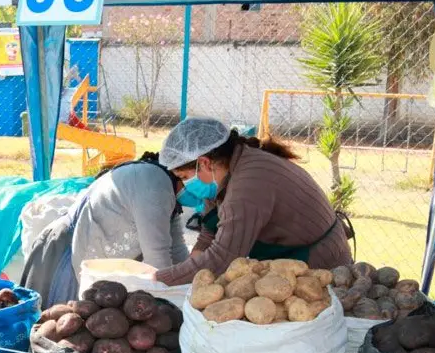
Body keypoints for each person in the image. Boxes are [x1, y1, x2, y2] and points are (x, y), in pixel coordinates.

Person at [154, 117, 353, 285]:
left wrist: (158, 279)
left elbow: (222, 258)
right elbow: (209, 232)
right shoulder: (227, 170)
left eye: (184, 177)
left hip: (321, 268)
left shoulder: (248, 184)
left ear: (204, 163)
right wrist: (192, 261)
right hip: (288, 259)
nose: (185, 184)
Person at [21, 150, 191, 308]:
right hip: (67, 253)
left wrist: (191, 283)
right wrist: (174, 306)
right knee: (63, 318)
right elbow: (158, 258)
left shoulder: (169, 193)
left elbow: (177, 249)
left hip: (91, 256)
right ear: (181, 172)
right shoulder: (154, 184)